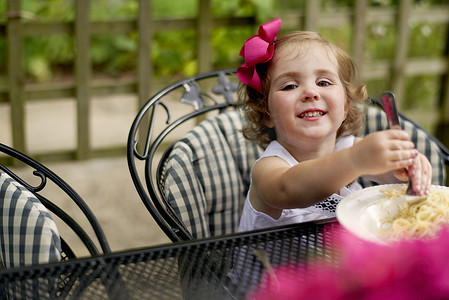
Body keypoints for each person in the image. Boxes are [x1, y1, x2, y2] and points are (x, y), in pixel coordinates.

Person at [237, 18, 432, 232]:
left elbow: (389, 173)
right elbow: (288, 189)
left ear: (346, 105)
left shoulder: (347, 148)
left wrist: (406, 165)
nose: (311, 93)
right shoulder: (269, 169)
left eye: (323, 83)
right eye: (290, 86)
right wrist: (357, 159)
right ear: (266, 113)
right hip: (272, 266)